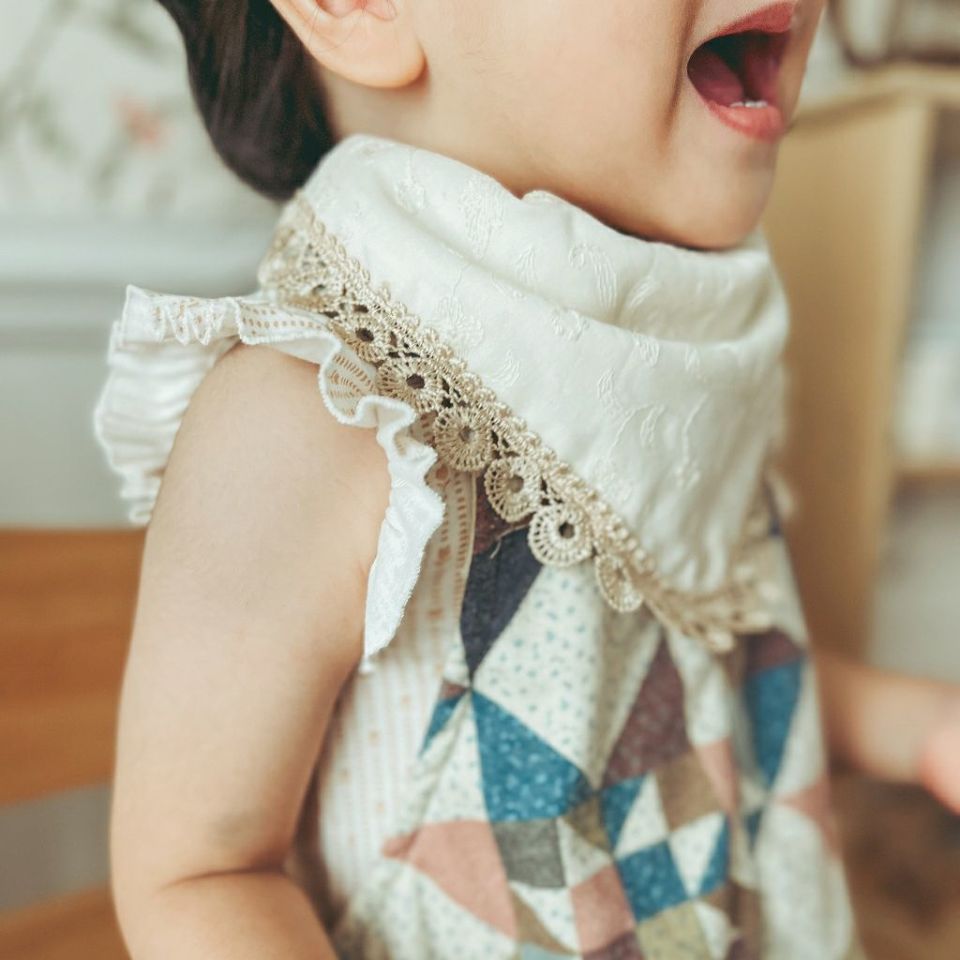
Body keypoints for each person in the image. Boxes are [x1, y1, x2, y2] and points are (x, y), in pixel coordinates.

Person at [95, 1, 960, 958]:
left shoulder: (671, 368)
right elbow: (198, 876)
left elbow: (703, 689)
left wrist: (918, 727)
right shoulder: (319, 412)